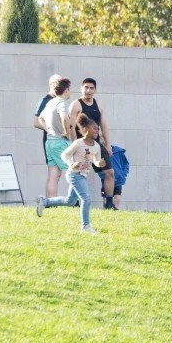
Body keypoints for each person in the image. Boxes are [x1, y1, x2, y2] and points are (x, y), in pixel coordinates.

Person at [35, 115, 104, 234]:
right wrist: (72, 163)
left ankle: (44, 202)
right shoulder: (78, 143)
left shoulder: (96, 146)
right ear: (85, 130)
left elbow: (96, 161)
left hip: (83, 175)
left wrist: (99, 163)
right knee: (86, 199)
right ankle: (86, 227)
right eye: (94, 128)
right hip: (74, 174)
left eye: (97, 129)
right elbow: (64, 155)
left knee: (70, 201)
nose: (97, 131)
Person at [70, 77, 118, 208]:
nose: (88, 90)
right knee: (78, 173)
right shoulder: (76, 105)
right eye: (86, 87)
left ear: (95, 90)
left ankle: (109, 204)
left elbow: (104, 126)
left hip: (96, 145)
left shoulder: (99, 105)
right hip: (81, 144)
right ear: (81, 88)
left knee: (110, 172)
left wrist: (107, 145)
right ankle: (75, 202)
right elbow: (70, 127)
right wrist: (75, 145)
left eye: (91, 88)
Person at [37, 78, 75, 194]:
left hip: (49, 142)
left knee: (54, 175)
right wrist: (66, 132)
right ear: (66, 90)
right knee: (75, 171)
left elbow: (40, 118)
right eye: (69, 89)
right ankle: (74, 201)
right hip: (60, 141)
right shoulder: (61, 102)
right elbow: (64, 117)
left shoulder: (50, 102)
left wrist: (49, 130)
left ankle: (50, 202)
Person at [32, 74, 64, 197]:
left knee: (56, 173)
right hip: (53, 140)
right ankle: (51, 202)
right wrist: (52, 130)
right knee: (54, 174)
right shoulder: (46, 100)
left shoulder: (58, 100)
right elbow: (36, 122)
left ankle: (51, 202)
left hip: (56, 140)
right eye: (58, 83)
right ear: (52, 85)